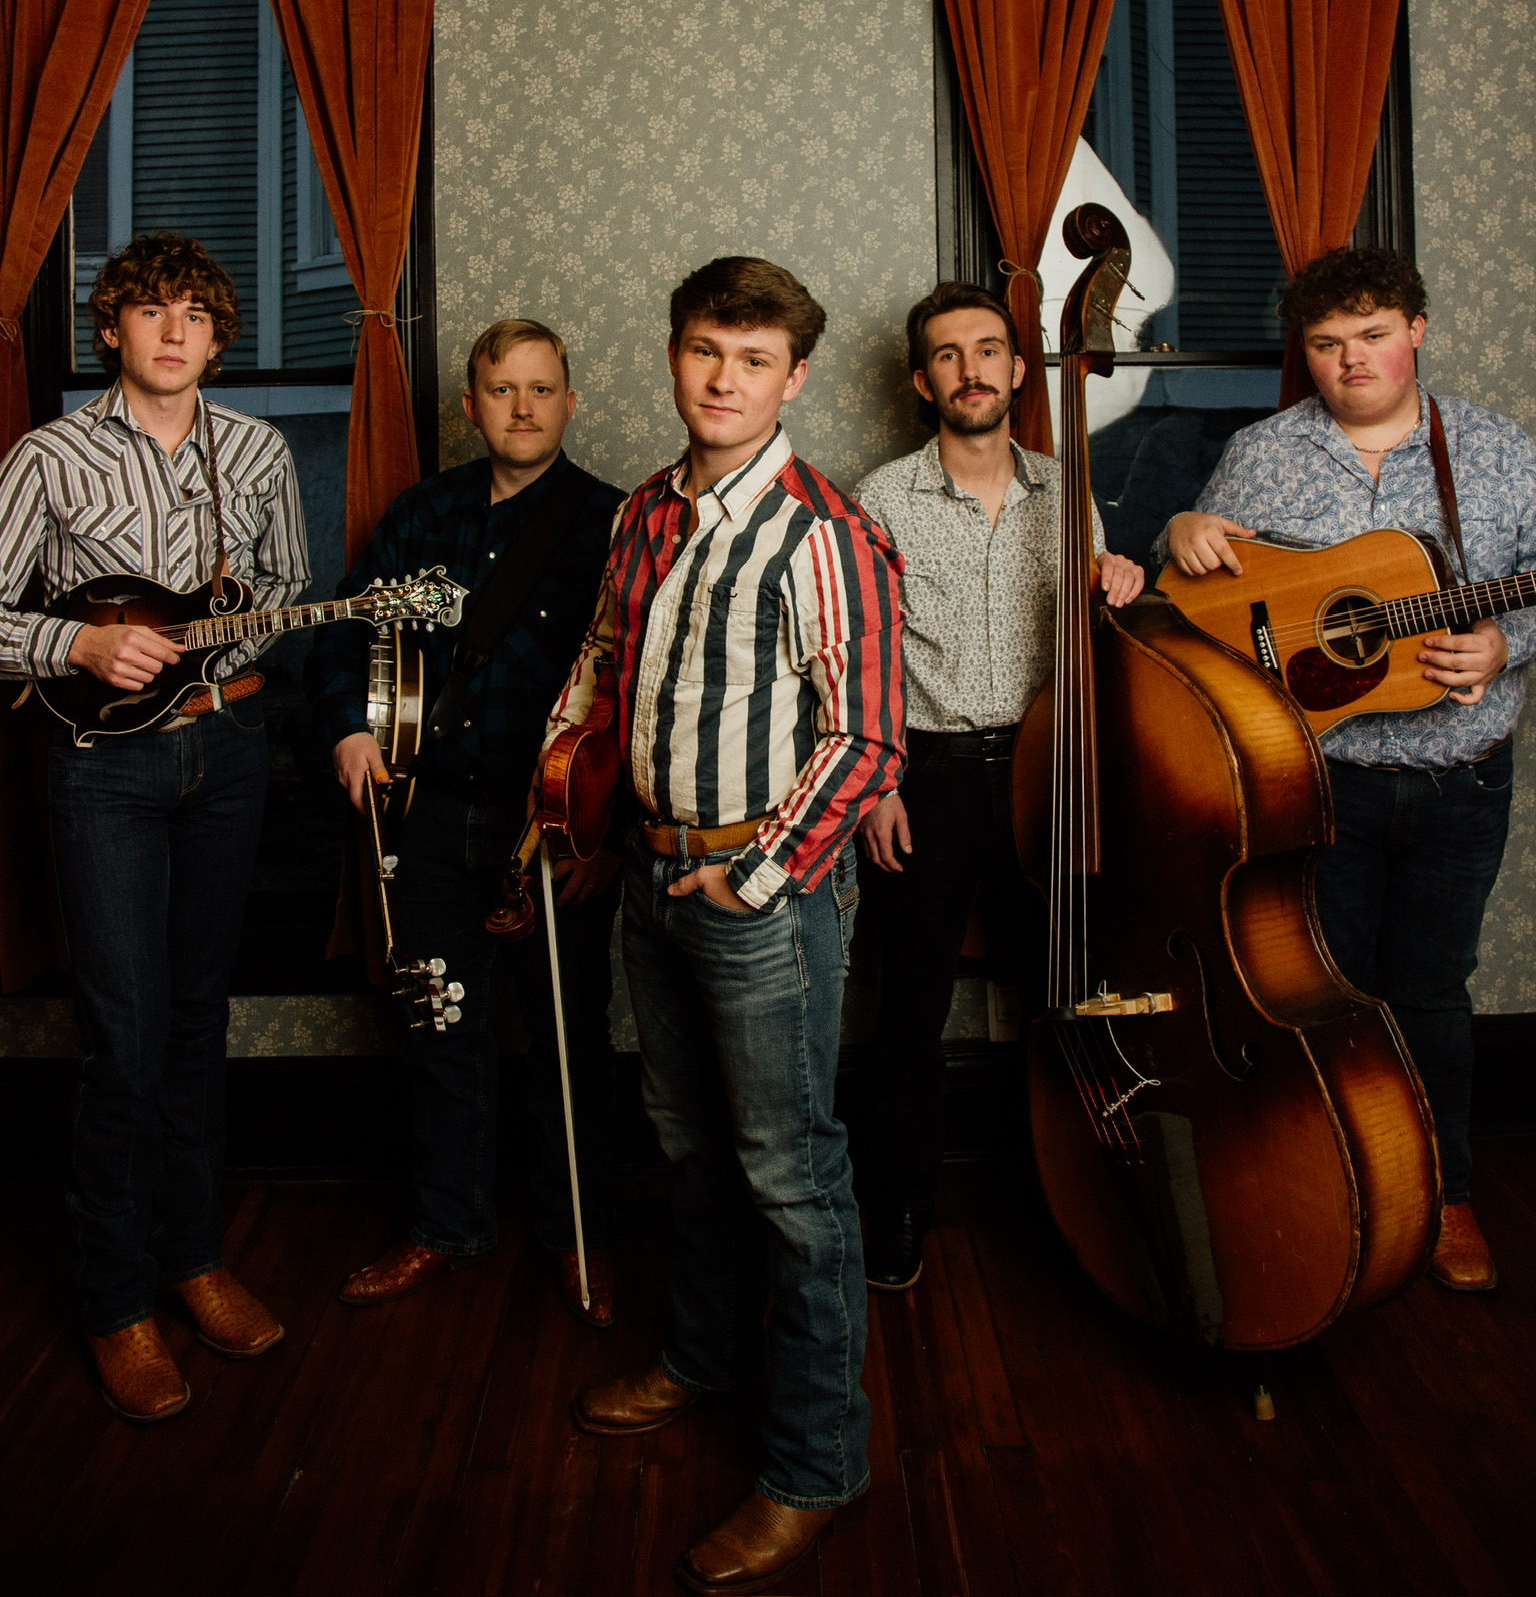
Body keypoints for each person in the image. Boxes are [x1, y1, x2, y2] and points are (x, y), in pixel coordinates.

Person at [554, 257, 903, 1597]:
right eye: (704, 350)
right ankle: (698, 1358)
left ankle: (817, 1466)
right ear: (674, 354)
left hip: (761, 898)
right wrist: (563, 795)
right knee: (687, 1147)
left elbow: (866, 737)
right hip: (648, 875)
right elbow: (600, 660)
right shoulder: (647, 507)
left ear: (794, 377)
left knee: (792, 1181)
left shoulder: (823, 527)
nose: (722, 379)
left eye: (752, 360)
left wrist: (756, 876)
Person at [1161, 245, 1536, 1293]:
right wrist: (1183, 526)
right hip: (1319, 784)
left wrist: (1511, 643)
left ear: (1414, 332)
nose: (1350, 361)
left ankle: (1447, 1195)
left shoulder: (1499, 452)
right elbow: (1200, 590)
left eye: (1371, 336)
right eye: (1325, 345)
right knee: (1320, 994)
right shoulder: (1264, 452)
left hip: (1460, 780)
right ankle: (1334, 1185)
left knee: (1430, 994)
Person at [0, 233, 309, 1421]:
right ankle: (113, 1300)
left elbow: (281, 598)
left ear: (219, 337)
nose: (174, 330)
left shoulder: (260, 452)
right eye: (149, 312)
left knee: (194, 1022)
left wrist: (216, 662)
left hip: (228, 757)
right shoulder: (50, 456)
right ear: (112, 332)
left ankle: (192, 1258)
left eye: (195, 313)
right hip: (102, 773)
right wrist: (75, 644)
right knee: (122, 1039)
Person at [307, 319, 627, 1325]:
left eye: (541, 389)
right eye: (502, 390)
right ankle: (449, 1225)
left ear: (570, 402)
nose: (523, 407)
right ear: (470, 404)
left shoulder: (616, 525)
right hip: (429, 813)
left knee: (568, 1037)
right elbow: (341, 640)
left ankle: (578, 1236)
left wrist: (605, 836)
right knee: (440, 1024)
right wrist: (347, 732)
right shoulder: (421, 515)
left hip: (555, 828)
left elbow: (640, 691)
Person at [854, 281, 1144, 1289]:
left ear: (1022, 370)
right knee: (906, 1014)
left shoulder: (1068, 488)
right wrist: (878, 779)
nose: (970, 368)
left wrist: (1120, 583)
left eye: (989, 349)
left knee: (1063, 996)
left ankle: (1072, 1209)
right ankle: (895, 1210)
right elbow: (862, 650)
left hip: (1043, 772)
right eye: (947, 353)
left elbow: (1095, 638)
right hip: (925, 776)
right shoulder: (882, 496)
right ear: (921, 379)